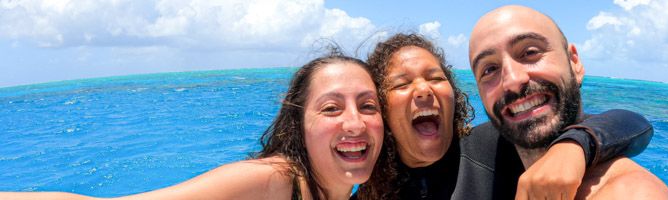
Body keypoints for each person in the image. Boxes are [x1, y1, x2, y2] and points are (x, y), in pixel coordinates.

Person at [0, 50, 384, 200]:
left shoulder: (343, 191)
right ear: (299, 125)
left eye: (368, 106)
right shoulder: (272, 182)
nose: (355, 122)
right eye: (331, 108)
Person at [357, 33, 652, 199]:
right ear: (380, 107)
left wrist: (574, 146)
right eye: (402, 83)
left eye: (435, 78)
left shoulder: (495, 147)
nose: (423, 90)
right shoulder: (371, 189)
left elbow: (632, 124)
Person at [456, 5, 668, 199]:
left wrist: (574, 144)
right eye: (489, 69)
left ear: (574, 63)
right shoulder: (462, 153)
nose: (512, 80)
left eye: (530, 52)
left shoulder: (626, 191)